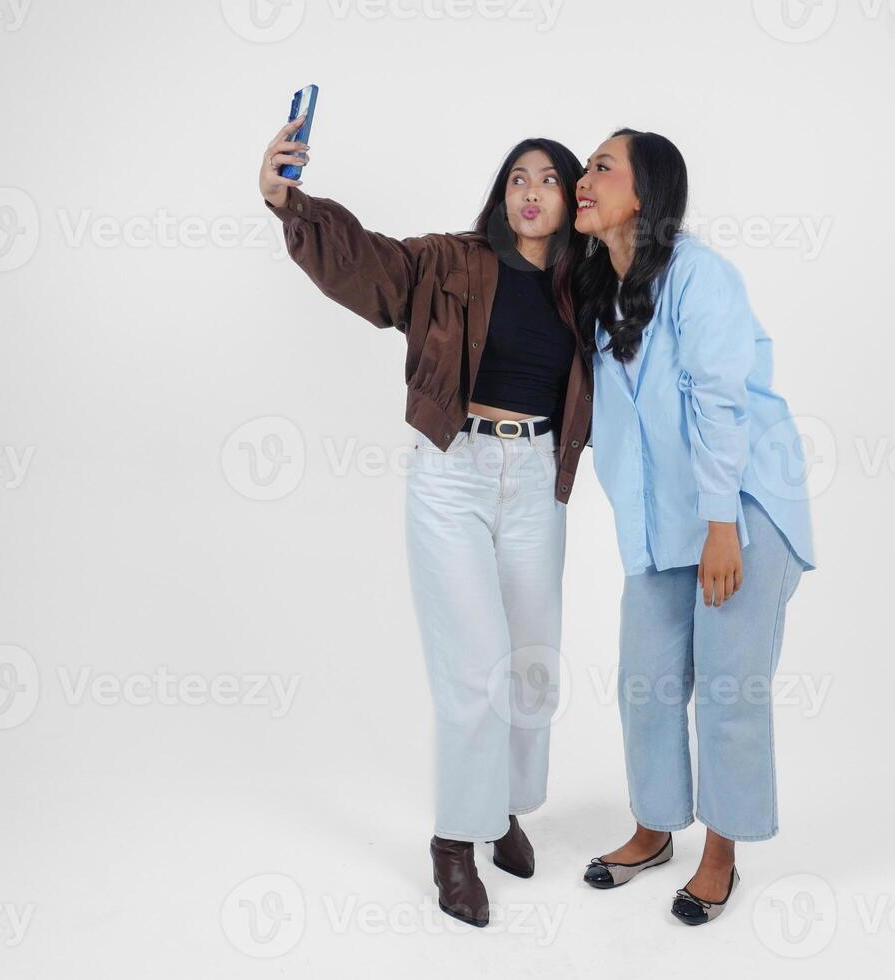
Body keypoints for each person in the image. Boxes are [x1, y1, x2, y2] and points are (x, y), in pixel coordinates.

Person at [259, 118, 593, 928]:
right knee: (473, 672)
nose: (530, 191)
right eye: (518, 176)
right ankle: (454, 843)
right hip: (453, 474)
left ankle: (504, 808)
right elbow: (365, 263)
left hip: (537, 478)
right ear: (500, 192)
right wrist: (286, 199)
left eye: (549, 179)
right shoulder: (447, 262)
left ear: (571, 197)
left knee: (533, 669)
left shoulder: (587, 287)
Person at [573, 128, 817, 925]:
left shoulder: (699, 276)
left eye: (601, 166)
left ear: (644, 195)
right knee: (643, 681)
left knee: (727, 688)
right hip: (665, 523)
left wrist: (721, 527)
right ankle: (652, 829)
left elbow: (720, 402)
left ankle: (722, 855)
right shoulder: (599, 290)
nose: (584, 176)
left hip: (738, 509)